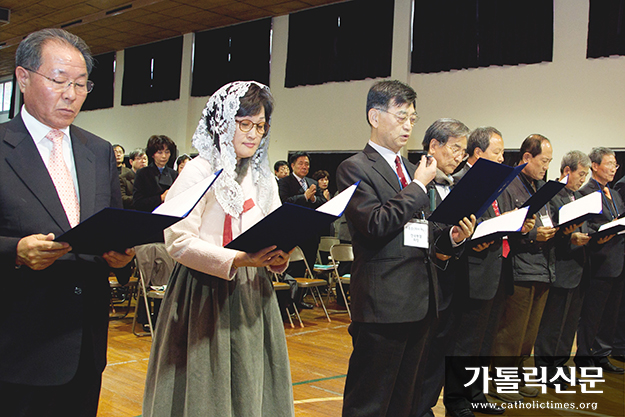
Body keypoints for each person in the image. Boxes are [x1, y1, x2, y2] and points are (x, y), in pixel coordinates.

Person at [0, 28, 134, 417]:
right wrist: (15, 251)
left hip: (86, 347)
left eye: (80, 84)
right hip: (18, 347)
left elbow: (112, 225)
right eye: (59, 81)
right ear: (23, 78)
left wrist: (121, 258)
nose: (71, 94)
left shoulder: (98, 150)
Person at [142, 81, 294, 417]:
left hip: (253, 291)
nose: (254, 134)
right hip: (203, 291)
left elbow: (276, 227)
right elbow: (178, 240)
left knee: (251, 379)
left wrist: (279, 256)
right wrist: (237, 259)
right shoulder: (199, 170)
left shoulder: (264, 177)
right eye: (245, 124)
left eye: (260, 126)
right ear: (223, 123)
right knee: (204, 386)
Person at [336, 80, 474, 417]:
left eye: (412, 118)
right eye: (401, 117)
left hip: (422, 302)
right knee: (369, 402)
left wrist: (453, 237)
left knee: (406, 401)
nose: (408, 125)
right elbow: (375, 224)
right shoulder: (355, 168)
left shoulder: (413, 171)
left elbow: (426, 231)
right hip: (383, 303)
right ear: (375, 117)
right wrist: (417, 186)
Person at [443, 127, 522, 417]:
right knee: (464, 342)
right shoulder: (461, 182)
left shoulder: (498, 185)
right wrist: (473, 239)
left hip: (496, 270)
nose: (502, 158)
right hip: (471, 273)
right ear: (477, 153)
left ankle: (476, 394)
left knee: (484, 341)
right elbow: (452, 229)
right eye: (497, 152)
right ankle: (457, 401)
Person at [411, 118, 475, 417]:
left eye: (463, 151)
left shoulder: (453, 185)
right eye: (455, 148)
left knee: (439, 355)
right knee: (420, 358)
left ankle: (425, 407)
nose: (459, 156)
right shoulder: (415, 183)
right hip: (422, 285)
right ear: (434, 146)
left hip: (449, 284)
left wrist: (458, 237)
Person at [490, 134, 558, 402]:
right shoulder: (509, 185)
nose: (546, 167)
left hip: (542, 266)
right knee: (511, 332)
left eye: (549, 161)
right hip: (519, 268)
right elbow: (504, 227)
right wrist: (532, 235)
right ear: (527, 157)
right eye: (544, 161)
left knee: (528, 333)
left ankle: (518, 376)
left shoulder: (538, 186)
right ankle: (500, 382)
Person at [533, 150, 592, 387]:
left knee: (568, 326)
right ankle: (546, 370)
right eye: (581, 174)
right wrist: (568, 237)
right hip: (559, 267)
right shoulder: (552, 195)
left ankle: (560, 367)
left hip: (577, 268)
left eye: (586, 175)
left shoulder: (575, 196)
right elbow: (550, 231)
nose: (583, 180)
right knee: (553, 325)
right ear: (567, 170)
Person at [575, 147, 625, 374]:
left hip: (618, 259)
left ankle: (602, 354)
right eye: (610, 164)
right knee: (592, 312)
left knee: (610, 313)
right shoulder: (585, 193)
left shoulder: (614, 193)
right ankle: (584, 356)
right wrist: (599, 232)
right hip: (598, 260)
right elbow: (586, 226)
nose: (614, 168)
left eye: (616, 164)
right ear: (595, 166)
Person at [279, 151, 327, 277]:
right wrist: (304, 197)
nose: (304, 167)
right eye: (301, 164)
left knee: (309, 266)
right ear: (292, 166)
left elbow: (323, 202)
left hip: (311, 231)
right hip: (292, 230)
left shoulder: (312, 182)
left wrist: (313, 199)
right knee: (293, 269)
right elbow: (284, 202)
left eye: (307, 164)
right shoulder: (284, 182)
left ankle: (305, 288)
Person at [133, 134, 178, 212]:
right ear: (152, 155)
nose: (164, 156)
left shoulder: (174, 174)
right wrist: (161, 198)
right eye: (160, 152)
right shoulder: (142, 173)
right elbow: (137, 203)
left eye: (167, 152)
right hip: (148, 215)